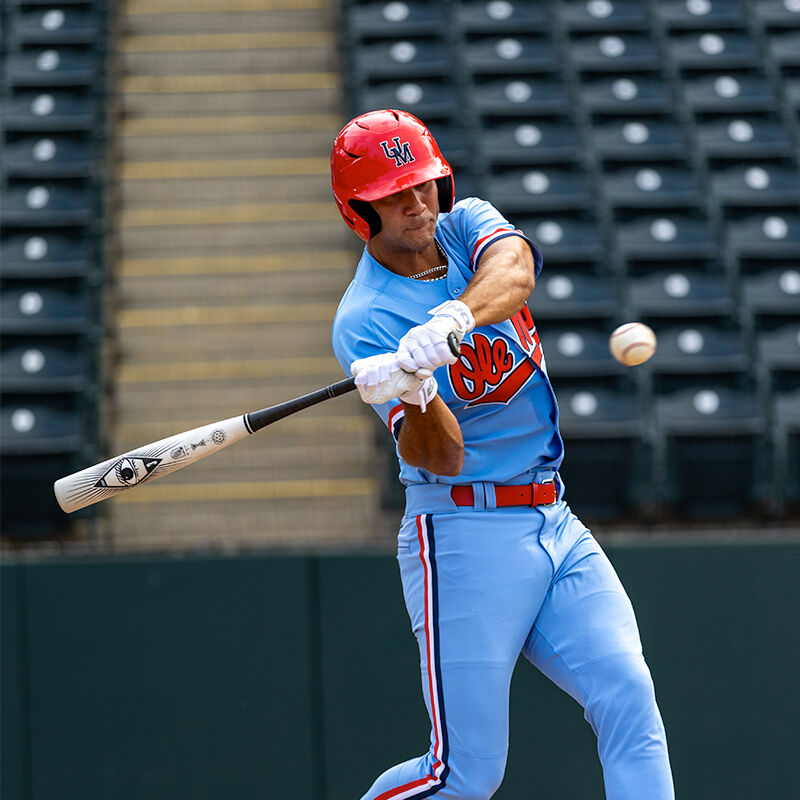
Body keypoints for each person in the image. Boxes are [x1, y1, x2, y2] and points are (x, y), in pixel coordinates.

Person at [330, 109, 674, 800]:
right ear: (360, 211)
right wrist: (416, 389)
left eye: (423, 183)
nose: (416, 202)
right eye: (394, 194)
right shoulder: (364, 320)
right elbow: (443, 458)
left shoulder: (463, 225)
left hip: (555, 517)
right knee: (464, 774)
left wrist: (455, 316)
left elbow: (514, 270)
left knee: (629, 695)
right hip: (463, 533)